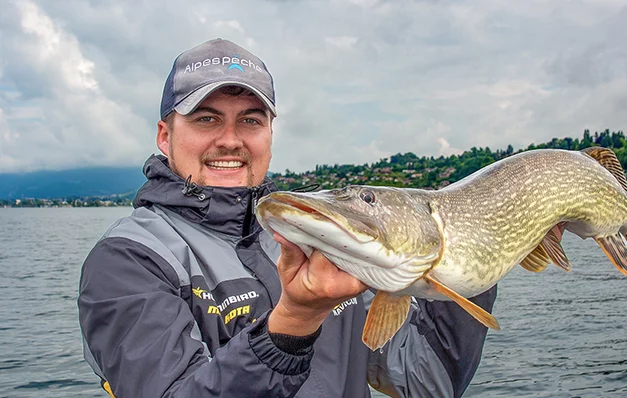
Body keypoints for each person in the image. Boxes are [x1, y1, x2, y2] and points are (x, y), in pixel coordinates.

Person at [77, 38, 497, 398]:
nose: (230, 139)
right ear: (165, 137)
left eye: (251, 120)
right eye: (206, 118)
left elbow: (424, 382)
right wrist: (293, 322)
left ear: (269, 136)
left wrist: (472, 256)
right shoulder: (126, 261)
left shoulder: (324, 241)